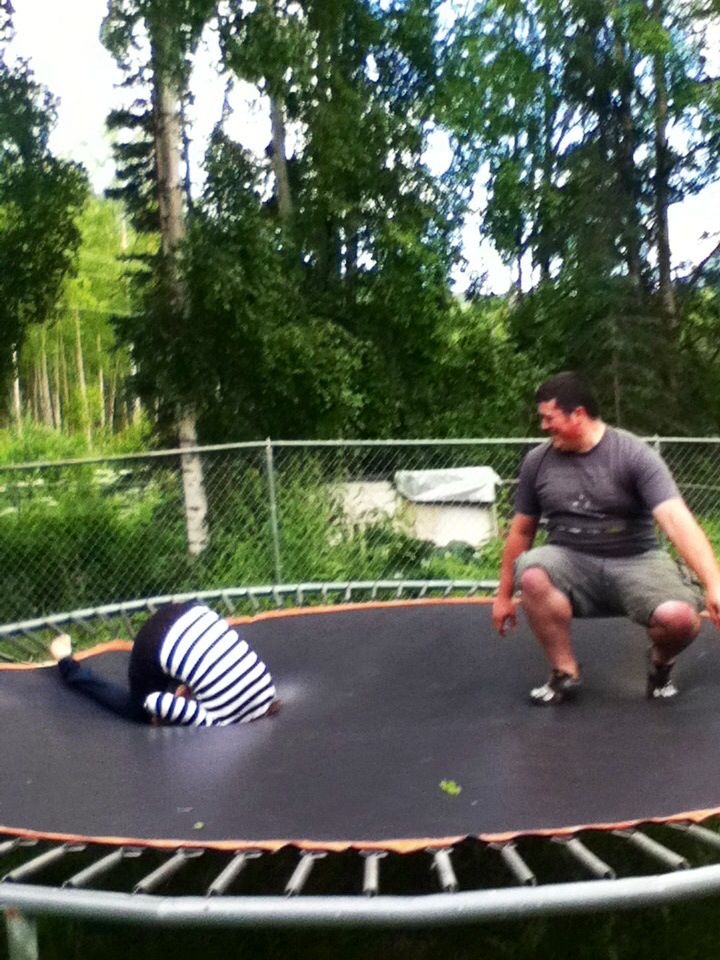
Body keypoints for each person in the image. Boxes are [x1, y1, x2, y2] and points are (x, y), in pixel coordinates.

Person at [492, 371, 720, 705]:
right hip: (569, 560)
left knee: (681, 619)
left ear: (578, 414)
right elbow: (522, 531)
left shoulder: (633, 455)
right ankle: (564, 673)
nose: (543, 426)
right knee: (533, 572)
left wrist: (713, 583)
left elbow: (675, 519)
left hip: (636, 559)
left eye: (548, 418)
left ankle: (660, 664)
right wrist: (502, 595)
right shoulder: (537, 462)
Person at [50, 601, 280, 726]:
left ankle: (180, 677)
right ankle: (67, 664)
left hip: (192, 612)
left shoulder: (268, 689)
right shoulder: (216, 721)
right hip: (154, 643)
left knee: (201, 667)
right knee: (137, 711)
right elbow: (154, 702)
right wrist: (167, 716)